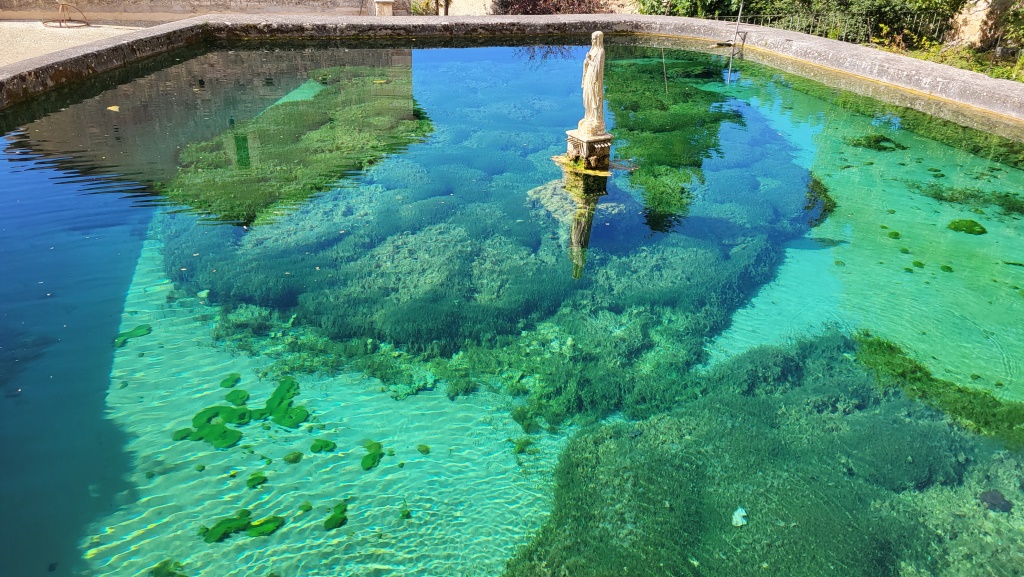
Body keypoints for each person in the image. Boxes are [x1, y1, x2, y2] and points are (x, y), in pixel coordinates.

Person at [579, 31, 606, 136]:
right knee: (587, 95)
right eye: (592, 38)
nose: (592, 41)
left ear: (599, 39)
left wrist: (589, 61)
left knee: (594, 96)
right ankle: (589, 116)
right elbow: (589, 63)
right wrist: (586, 62)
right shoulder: (592, 50)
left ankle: (596, 120)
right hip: (589, 75)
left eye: (595, 39)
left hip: (595, 79)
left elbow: (598, 68)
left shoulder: (600, 51)